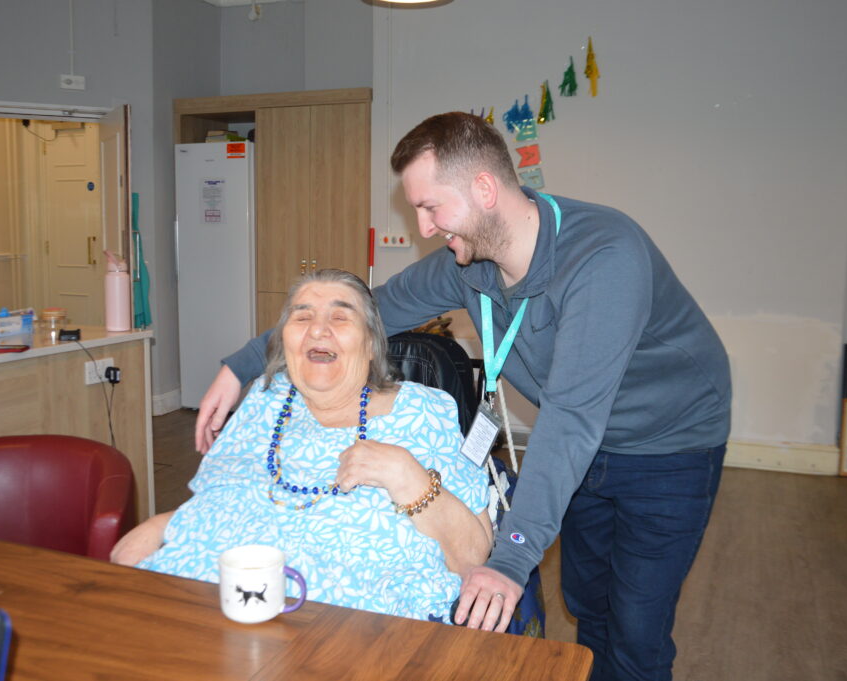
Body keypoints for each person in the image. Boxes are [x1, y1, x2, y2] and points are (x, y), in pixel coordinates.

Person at [197, 113, 731, 680]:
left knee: (638, 628)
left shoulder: (605, 258)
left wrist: (510, 560)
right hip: (580, 449)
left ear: (484, 189)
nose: (424, 227)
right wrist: (242, 365)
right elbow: (365, 309)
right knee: (590, 605)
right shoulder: (468, 265)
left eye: (430, 207)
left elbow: (571, 419)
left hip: (668, 446)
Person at [113, 268, 492, 622]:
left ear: (373, 345)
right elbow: (219, 495)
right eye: (302, 316)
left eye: (340, 317)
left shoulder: (421, 411)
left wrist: (408, 477)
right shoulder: (265, 400)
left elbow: (473, 554)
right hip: (206, 598)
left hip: (340, 626)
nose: (317, 330)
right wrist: (161, 525)